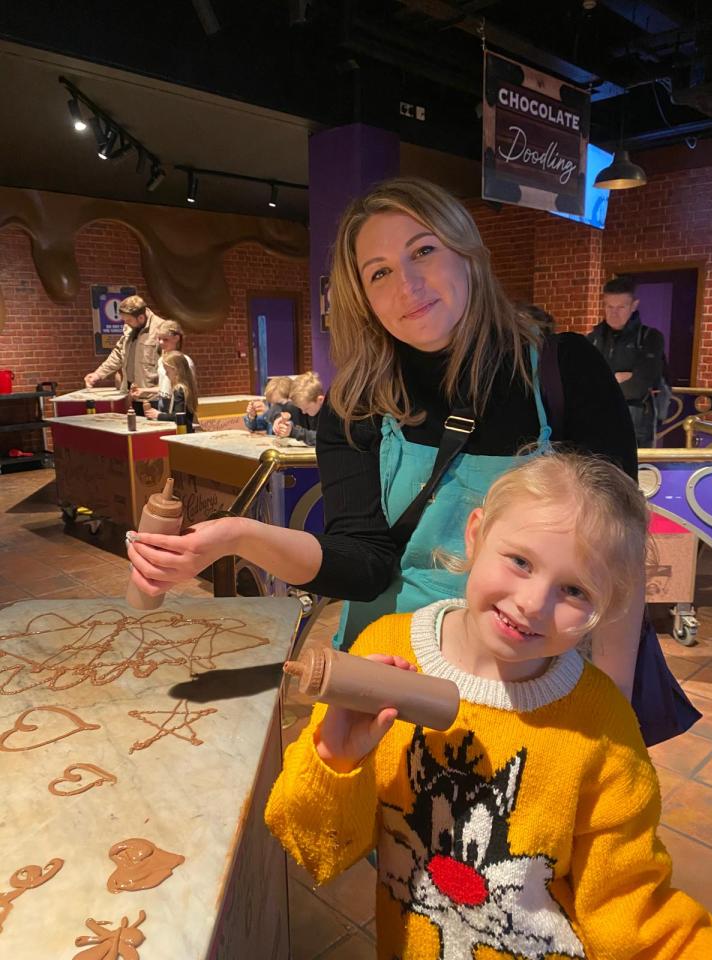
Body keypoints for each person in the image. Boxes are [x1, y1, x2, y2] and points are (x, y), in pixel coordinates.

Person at [126, 177, 642, 700]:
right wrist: (237, 537)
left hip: (532, 674)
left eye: (423, 251)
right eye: (380, 273)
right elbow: (363, 562)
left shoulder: (564, 373)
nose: (408, 285)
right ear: (364, 298)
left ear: (467, 252)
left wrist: (615, 702)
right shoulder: (357, 402)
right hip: (395, 667)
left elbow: (619, 551)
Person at [265, 453, 712, 960]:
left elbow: (629, 904)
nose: (532, 602)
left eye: (573, 590)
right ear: (476, 534)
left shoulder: (601, 724)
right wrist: (337, 758)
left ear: (605, 607)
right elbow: (318, 847)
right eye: (520, 561)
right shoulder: (388, 656)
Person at [587, 277, 666, 447]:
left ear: (634, 305)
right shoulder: (591, 339)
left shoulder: (650, 338)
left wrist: (602, 384)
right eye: (609, 306)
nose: (614, 313)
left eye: (621, 307)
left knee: (633, 472)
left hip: (634, 425)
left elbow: (639, 386)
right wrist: (618, 378)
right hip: (596, 423)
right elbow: (582, 383)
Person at [84, 295, 165, 405]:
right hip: (133, 394)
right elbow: (118, 353)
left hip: (154, 398)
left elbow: (171, 365)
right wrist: (97, 374)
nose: (125, 324)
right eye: (124, 320)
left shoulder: (162, 329)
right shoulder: (130, 328)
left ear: (141, 317)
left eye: (129, 320)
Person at [135, 319, 195, 412]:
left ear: (176, 338)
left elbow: (187, 391)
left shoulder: (184, 361)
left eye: (165, 339)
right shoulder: (162, 360)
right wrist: (143, 390)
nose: (161, 343)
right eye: (159, 339)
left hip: (176, 405)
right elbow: (164, 387)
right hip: (163, 403)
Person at [143, 351, 198, 432]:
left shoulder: (179, 389)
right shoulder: (187, 386)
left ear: (175, 370)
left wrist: (158, 415)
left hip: (183, 431)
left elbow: (178, 415)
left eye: (167, 371)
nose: (166, 374)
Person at [273, 370, 325, 445]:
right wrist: (278, 418)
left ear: (320, 400)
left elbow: (323, 438)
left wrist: (293, 431)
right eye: (300, 408)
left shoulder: (331, 414)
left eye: (307, 408)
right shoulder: (300, 405)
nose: (303, 412)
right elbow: (276, 407)